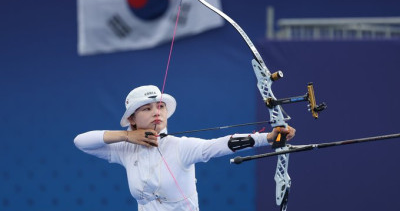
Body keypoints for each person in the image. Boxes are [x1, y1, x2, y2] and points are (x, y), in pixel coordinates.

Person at [74, 85, 296, 211]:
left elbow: (218, 145)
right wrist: (127, 136)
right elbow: (81, 141)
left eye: (160, 106)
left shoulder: (180, 147)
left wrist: (268, 138)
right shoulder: (125, 149)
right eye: (147, 108)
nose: (156, 112)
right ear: (132, 118)